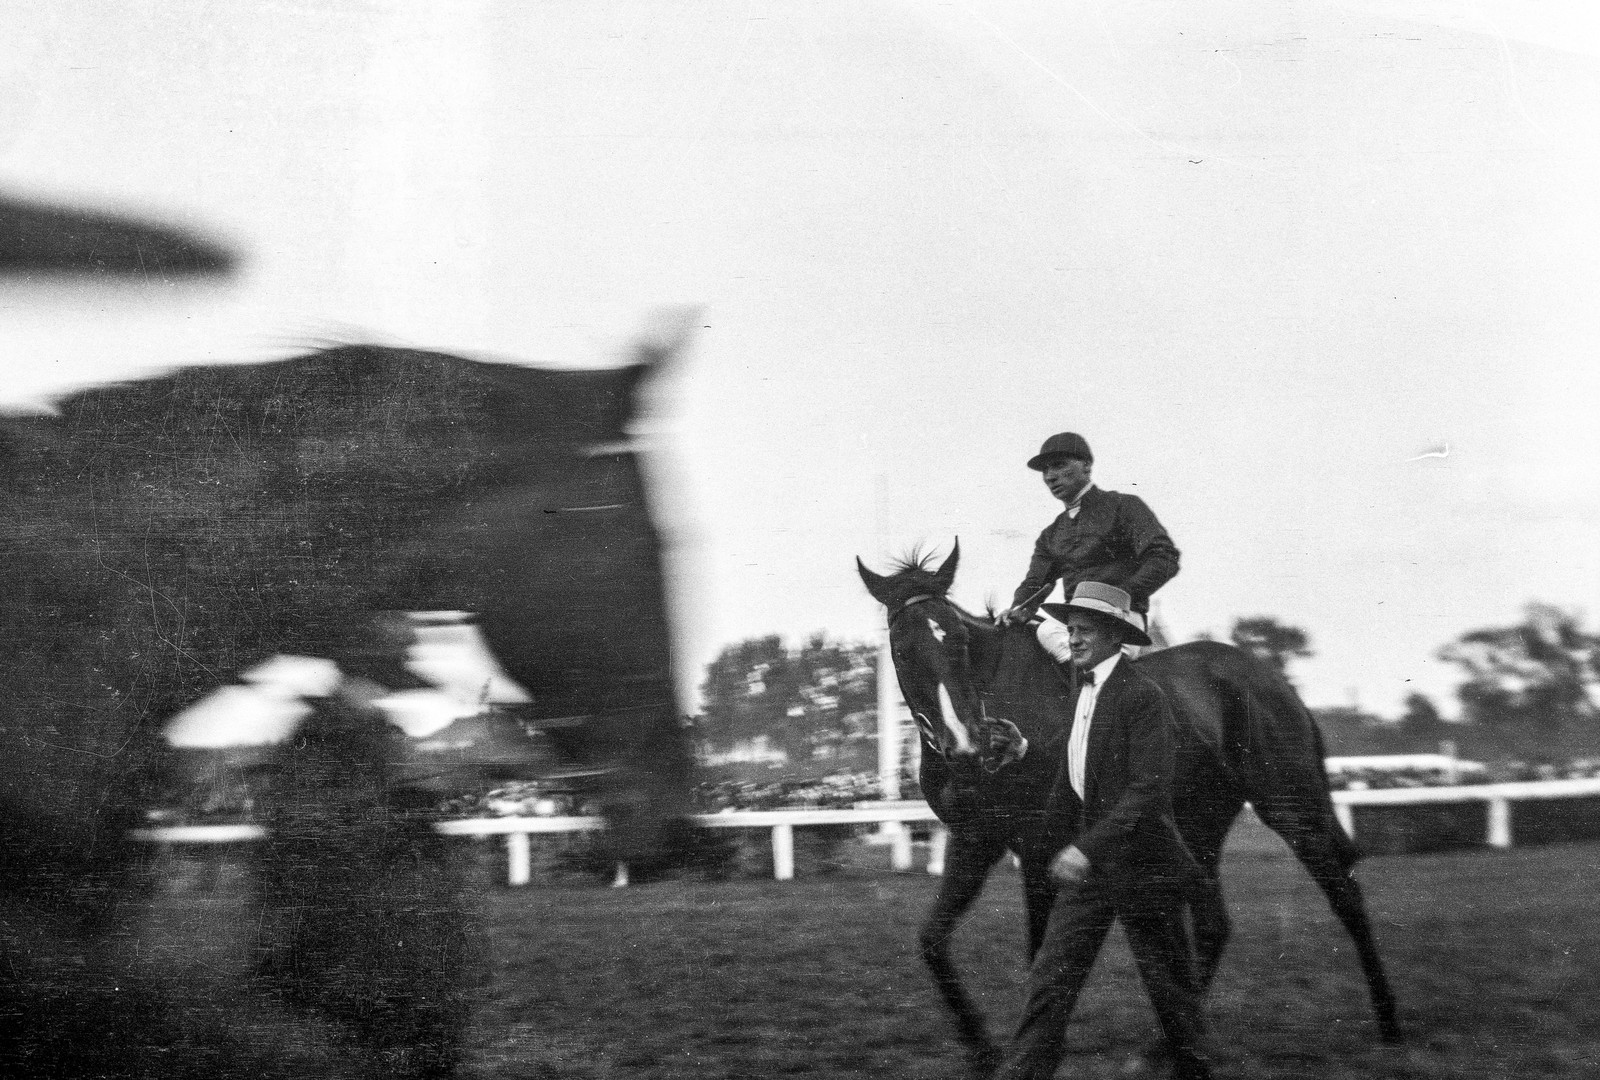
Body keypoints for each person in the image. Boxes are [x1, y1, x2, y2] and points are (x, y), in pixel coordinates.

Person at [994, 581, 1213, 1080]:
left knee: (1172, 996)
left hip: (1145, 868)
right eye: (1070, 628)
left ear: (1115, 634)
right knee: (1049, 982)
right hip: (1093, 873)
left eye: (1084, 629)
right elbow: (1081, 766)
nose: (1072, 638)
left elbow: (1148, 791)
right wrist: (1027, 749)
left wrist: (1084, 848)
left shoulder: (1144, 697)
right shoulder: (1082, 689)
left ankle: (1195, 1071)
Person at [996, 432, 1179, 626]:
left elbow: (1165, 557)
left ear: (1086, 465)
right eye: (1045, 470)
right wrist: (1018, 609)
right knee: (1033, 634)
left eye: (1059, 465)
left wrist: (1119, 597)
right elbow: (1035, 583)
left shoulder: (1123, 506)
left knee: (1051, 632)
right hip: (1074, 623)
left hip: (1122, 619)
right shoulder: (1051, 534)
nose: (1049, 477)